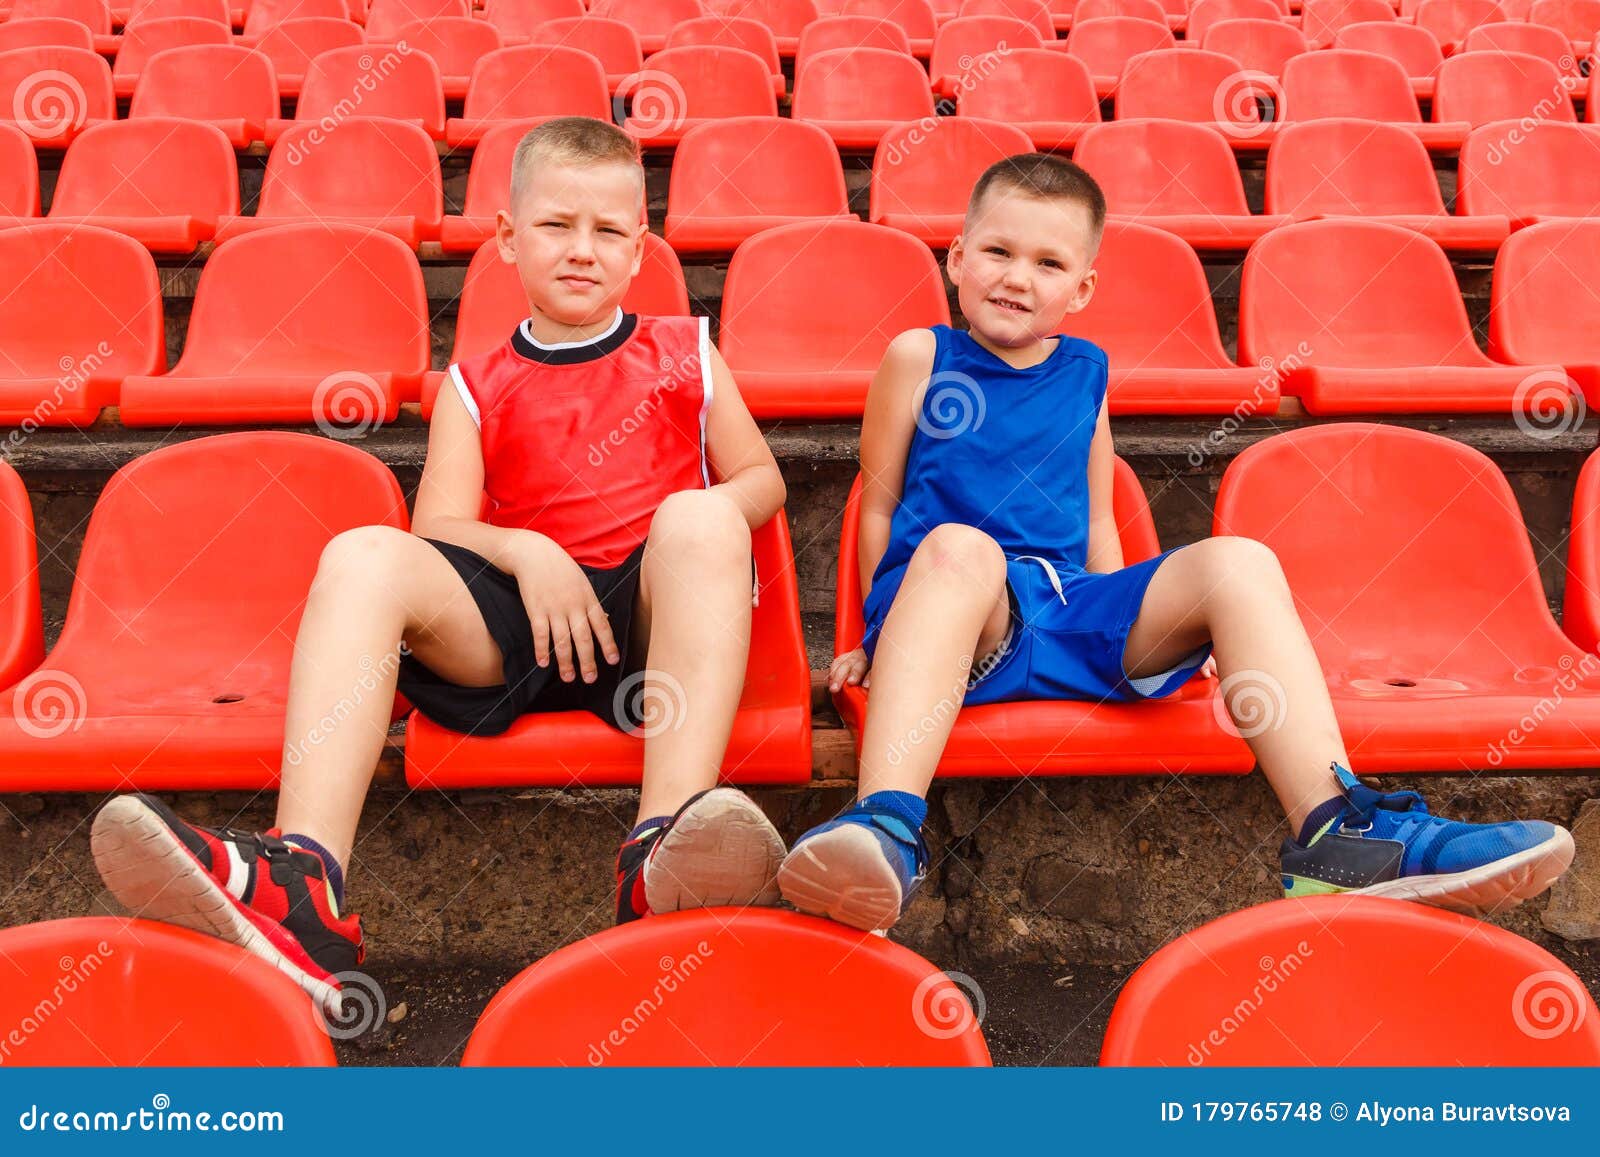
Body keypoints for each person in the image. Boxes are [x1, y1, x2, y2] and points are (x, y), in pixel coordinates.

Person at [89, 117, 791, 1015]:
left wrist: (688, 524)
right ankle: (303, 881)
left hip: (651, 624)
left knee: (701, 516)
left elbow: (762, 479)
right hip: (515, 627)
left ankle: (663, 845)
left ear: (641, 247)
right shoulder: (474, 379)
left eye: (609, 231)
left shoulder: (685, 350)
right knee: (364, 552)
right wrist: (526, 549)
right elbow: (443, 524)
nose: (583, 251)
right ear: (504, 237)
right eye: (555, 226)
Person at [776, 153, 1576, 932]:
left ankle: (1338, 832)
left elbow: (1094, 522)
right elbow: (877, 502)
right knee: (962, 546)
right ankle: (886, 824)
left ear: (1082, 287)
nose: (1016, 277)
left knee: (1240, 560)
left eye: (1048, 262)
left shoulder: (1087, 370)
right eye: (996, 251)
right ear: (956, 258)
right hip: (961, 610)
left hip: (1063, 604)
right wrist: (867, 635)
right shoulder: (923, 357)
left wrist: (1142, 628)